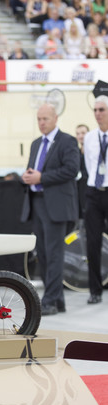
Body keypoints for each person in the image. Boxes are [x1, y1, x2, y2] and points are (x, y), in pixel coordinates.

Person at [21, 104, 80, 315]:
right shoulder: (37, 144)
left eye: (45, 118)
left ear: (55, 118)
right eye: (39, 119)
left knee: (54, 254)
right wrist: (28, 177)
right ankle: (58, 300)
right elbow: (34, 170)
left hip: (56, 205)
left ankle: (50, 301)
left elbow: (72, 170)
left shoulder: (67, 141)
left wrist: (41, 177)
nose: (41, 123)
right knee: (43, 255)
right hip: (36, 203)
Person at [83, 96, 108, 304]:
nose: (98, 113)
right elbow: (89, 165)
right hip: (93, 192)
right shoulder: (90, 137)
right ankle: (95, 290)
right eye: (96, 110)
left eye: (102, 110)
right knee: (92, 242)